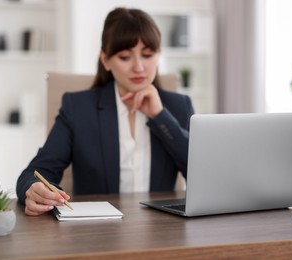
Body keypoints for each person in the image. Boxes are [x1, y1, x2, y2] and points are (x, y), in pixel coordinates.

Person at [16, 7, 195, 216]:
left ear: (158, 56)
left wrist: (160, 116)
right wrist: (34, 190)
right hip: (99, 232)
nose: (139, 67)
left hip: (162, 230)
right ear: (106, 60)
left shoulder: (178, 107)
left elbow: (203, 177)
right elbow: (34, 173)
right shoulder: (78, 108)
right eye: (125, 57)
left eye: (147, 55)